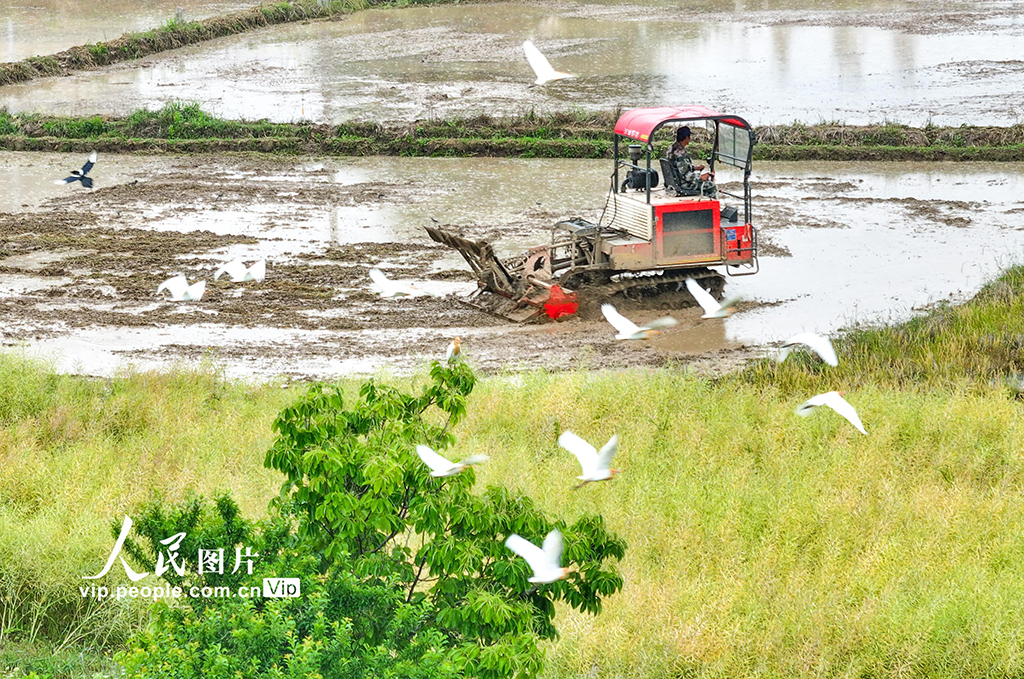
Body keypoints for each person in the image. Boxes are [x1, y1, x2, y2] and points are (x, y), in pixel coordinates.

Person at [665, 126, 716, 197]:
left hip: (676, 180)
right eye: (689, 136)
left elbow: (679, 167)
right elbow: (686, 176)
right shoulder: (680, 154)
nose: (690, 138)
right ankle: (709, 205)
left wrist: (695, 168)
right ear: (686, 138)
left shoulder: (672, 148)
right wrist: (700, 177)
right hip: (683, 184)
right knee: (711, 185)